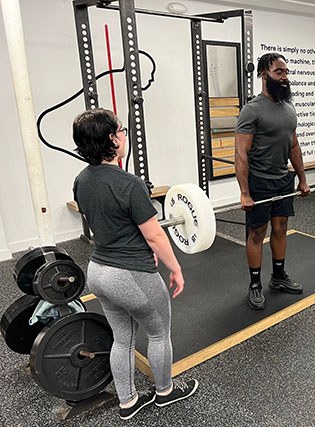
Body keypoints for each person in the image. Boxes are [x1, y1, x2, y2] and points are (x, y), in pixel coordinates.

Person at [72, 109, 198, 420]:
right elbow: (155, 236)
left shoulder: (81, 181)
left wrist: (138, 247)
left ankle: (127, 401)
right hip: (129, 275)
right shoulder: (130, 184)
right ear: (112, 139)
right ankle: (165, 392)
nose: (125, 135)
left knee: (123, 338)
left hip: (98, 273)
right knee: (158, 333)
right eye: (122, 131)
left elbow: (111, 224)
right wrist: (176, 268)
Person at [235, 53, 310, 310]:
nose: (285, 77)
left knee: (280, 228)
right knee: (257, 233)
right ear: (264, 74)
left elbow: (294, 145)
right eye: (279, 72)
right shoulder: (252, 109)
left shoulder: (289, 108)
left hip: (282, 180)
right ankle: (255, 284)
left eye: (286, 72)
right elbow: (241, 153)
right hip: (259, 181)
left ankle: (278, 277)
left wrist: (301, 178)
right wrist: (245, 192)